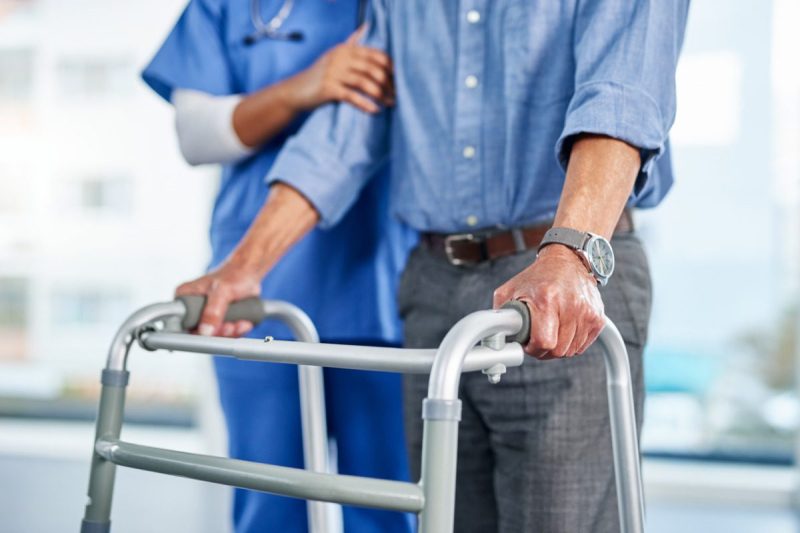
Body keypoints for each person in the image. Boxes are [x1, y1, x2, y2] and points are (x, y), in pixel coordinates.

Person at [175, 1, 690, 531]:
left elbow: (622, 98)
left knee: (558, 519)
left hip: (556, 281)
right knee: (445, 518)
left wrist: (569, 255)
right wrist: (244, 264)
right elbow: (348, 129)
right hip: (434, 282)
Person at [141, 1, 416, 532]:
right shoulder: (226, 7)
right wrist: (304, 86)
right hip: (257, 294)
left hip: (381, 286)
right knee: (269, 504)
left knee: (388, 508)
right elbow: (196, 136)